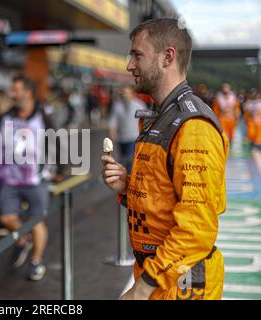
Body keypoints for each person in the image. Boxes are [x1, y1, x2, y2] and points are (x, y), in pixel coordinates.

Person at [102, 18, 229, 300]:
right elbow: (163, 196)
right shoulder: (162, 115)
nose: (129, 65)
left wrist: (143, 287)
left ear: (167, 57)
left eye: (137, 55)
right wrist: (128, 187)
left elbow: (196, 229)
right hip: (160, 275)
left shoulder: (193, 126)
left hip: (180, 284)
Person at [0, 75, 55, 281]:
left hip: (35, 180)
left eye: (16, 90)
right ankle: (23, 239)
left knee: (37, 220)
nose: (12, 94)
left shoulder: (43, 116)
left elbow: (56, 140)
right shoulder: (6, 117)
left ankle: (35, 259)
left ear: (28, 93)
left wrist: (59, 168)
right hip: (9, 179)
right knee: (7, 219)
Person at [108, 85, 146, 173]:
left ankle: (129, 177)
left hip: (134, 137)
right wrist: (112, 132)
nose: (125, 95)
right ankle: (126, 175)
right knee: (123, 158)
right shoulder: (117, 106)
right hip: (122, 138)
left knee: (130, 159)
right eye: (123, 93)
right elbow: (113, 121)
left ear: (131, 93)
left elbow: (145, 120)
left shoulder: (139, 104)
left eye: (127, 93)